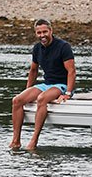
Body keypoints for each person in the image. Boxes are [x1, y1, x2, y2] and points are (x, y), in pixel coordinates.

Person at [10, 19, 75, 151]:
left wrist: (68, 93)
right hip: (47, 84)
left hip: (61, 85)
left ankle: (34, 140)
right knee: (17, 100)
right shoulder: (37, 48)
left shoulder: (63, 46)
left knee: (42, 98)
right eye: (39, 32)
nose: (42, 35)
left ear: (51, 31)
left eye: (45, 31)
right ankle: (16, 140)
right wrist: (28, 90)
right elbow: (33, 70)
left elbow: (71, 71)